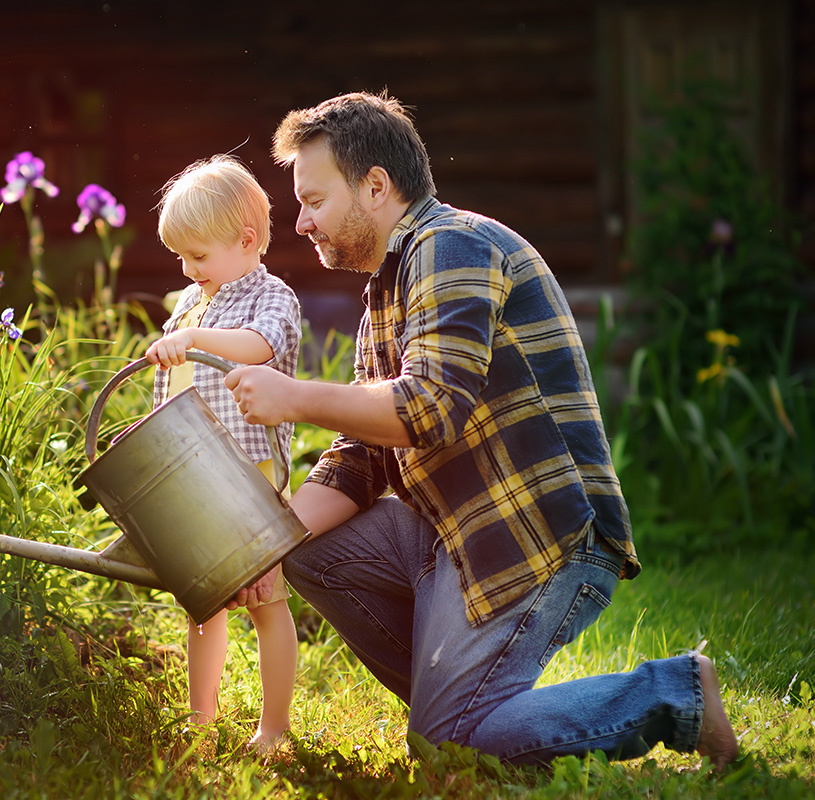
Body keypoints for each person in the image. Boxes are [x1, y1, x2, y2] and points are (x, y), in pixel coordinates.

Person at [223, 91, 740, 768]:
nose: (300, 222)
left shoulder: (453, 245)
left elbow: (431, 406)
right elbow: (364, 458)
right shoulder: (385, 294)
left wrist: (293, 398)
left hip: (535, 535)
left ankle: (674, 693)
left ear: (375, 187)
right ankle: (477, 706)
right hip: (454, 533)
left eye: (314, 201)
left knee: (448, 748)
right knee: (308, 551)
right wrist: (259, 545)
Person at [145, 154, 302, 750]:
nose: (189, 269)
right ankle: (202, 718)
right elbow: (175, 389)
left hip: (249, 479)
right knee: (203, 605)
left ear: (245, 240)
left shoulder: (272, 298)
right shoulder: (191, 303)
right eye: (181, 258)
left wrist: (190, 339)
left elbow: (259, 348)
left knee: (265, 602)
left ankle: (274, 727)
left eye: (199, 256)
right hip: (193, 480)